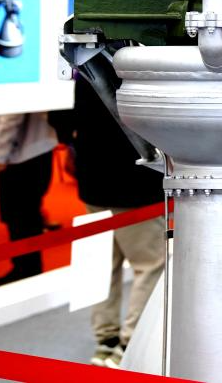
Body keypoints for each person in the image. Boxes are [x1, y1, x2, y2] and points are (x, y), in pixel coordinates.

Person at [52, 77, 165, 368]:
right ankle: (130, 343)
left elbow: (62, 116)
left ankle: (106, 340)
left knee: (101, 264)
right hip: (134, 184)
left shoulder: (84, 66)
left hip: (93, 178)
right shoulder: (140, 69)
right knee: (150, 265)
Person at [0, 112, 57, 287]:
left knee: (20, 220)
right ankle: (27, 270)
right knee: (27, 218)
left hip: (22, 155)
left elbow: (11, 116)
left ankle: (26, 272)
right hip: (33, 150)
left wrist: (0, 153)